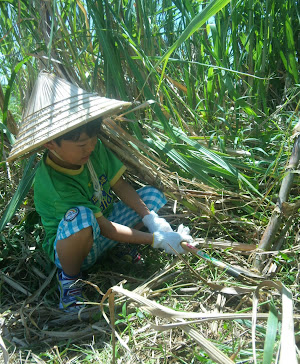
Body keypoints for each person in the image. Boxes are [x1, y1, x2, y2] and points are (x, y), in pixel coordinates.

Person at [7, 71, 193, 312]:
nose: (90, 147)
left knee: (151, 197)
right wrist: (156, 240)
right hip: (78, 245)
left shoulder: (94, 151)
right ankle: (70, 281)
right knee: (81, 218)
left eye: (93, 139)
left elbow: (119, 185)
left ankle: (124, 247)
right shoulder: (53, 183)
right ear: (50, 143)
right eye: (82, 144)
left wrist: (152, 220)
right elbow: (103, 227)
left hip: (105, 227)